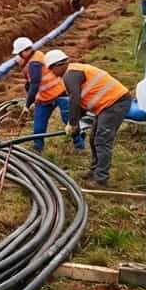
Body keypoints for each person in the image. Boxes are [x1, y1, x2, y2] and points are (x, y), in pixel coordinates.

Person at [46, 49, 131, 187]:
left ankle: (101, 179)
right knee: (93, 138)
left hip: (115, 103)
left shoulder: (70, 74)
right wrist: (73, 122)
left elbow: (74, 99)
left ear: (57, 65)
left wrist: (73, 123)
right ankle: (94, 170)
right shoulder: (74, 71)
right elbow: (82, 104)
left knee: (102, 140)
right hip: (106, 106)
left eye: (51, 69)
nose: (52, 73)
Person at [12, 37, 82, 153]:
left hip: (59, 93)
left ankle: (77, 146)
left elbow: (34, 84)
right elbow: (31, 84)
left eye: (19, 54)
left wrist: (27, 105)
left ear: (24, 51)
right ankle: (78, 145)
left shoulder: (34, 63)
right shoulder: (37, 55)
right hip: (49, 95)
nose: (19, 57)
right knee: (60, 121)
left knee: (67, 121)